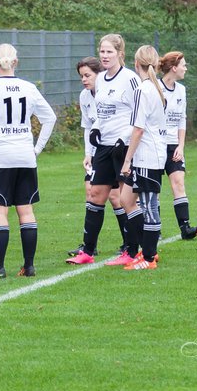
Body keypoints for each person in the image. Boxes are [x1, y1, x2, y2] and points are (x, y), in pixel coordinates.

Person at [0, 44, 56, 279]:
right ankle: (29, 266)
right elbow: (50, 118)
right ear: (16, 62)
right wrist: (36, 149)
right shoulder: (28, 87)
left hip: (0, 157)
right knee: (26, 211)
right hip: (25, 156)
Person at [66, 34, 143, 266]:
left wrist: (125, 138)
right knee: (95, 195)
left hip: (123, 147)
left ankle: (132, 251)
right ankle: (87, 251)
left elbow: (139, 114)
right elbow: (100, 113)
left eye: (109, 51)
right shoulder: (101, 81)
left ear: (120, 53)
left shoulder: (130, 79)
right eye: (102, 51)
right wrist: (96, 129)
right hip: (103, 148)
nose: (105, 55)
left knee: (125, 198)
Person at [69, 57, 130, 258]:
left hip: (118, 147)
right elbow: (88, 126)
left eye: (88, 75)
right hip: (98, 152)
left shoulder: (113, 89)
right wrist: (88, 153)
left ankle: (129, 244)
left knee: (118, 197)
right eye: (81, 76)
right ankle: (89, 247)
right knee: (94, 193)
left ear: (99, 74)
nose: (84, 80)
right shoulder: (85, 96)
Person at [118, 46, 168, 270]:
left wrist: (127, 160)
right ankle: (146, 249)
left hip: (147, 156)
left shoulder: (144, 89)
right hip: (149, 154)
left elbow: (138, 129)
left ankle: (149, 257)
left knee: (149, 206)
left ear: (136, 64)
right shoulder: (155, 88)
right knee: (126, 200)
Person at [158, 51, 197, 239]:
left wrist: (180, 146)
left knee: (178, 183)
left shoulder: (181, 90)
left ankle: (185, 228)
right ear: (174, 68)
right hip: (156, 144)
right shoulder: (155, 88)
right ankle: (155, 228)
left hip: (174, 146)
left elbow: (181, 120)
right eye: (183, 65)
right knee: (154, 188)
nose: (186, 68)